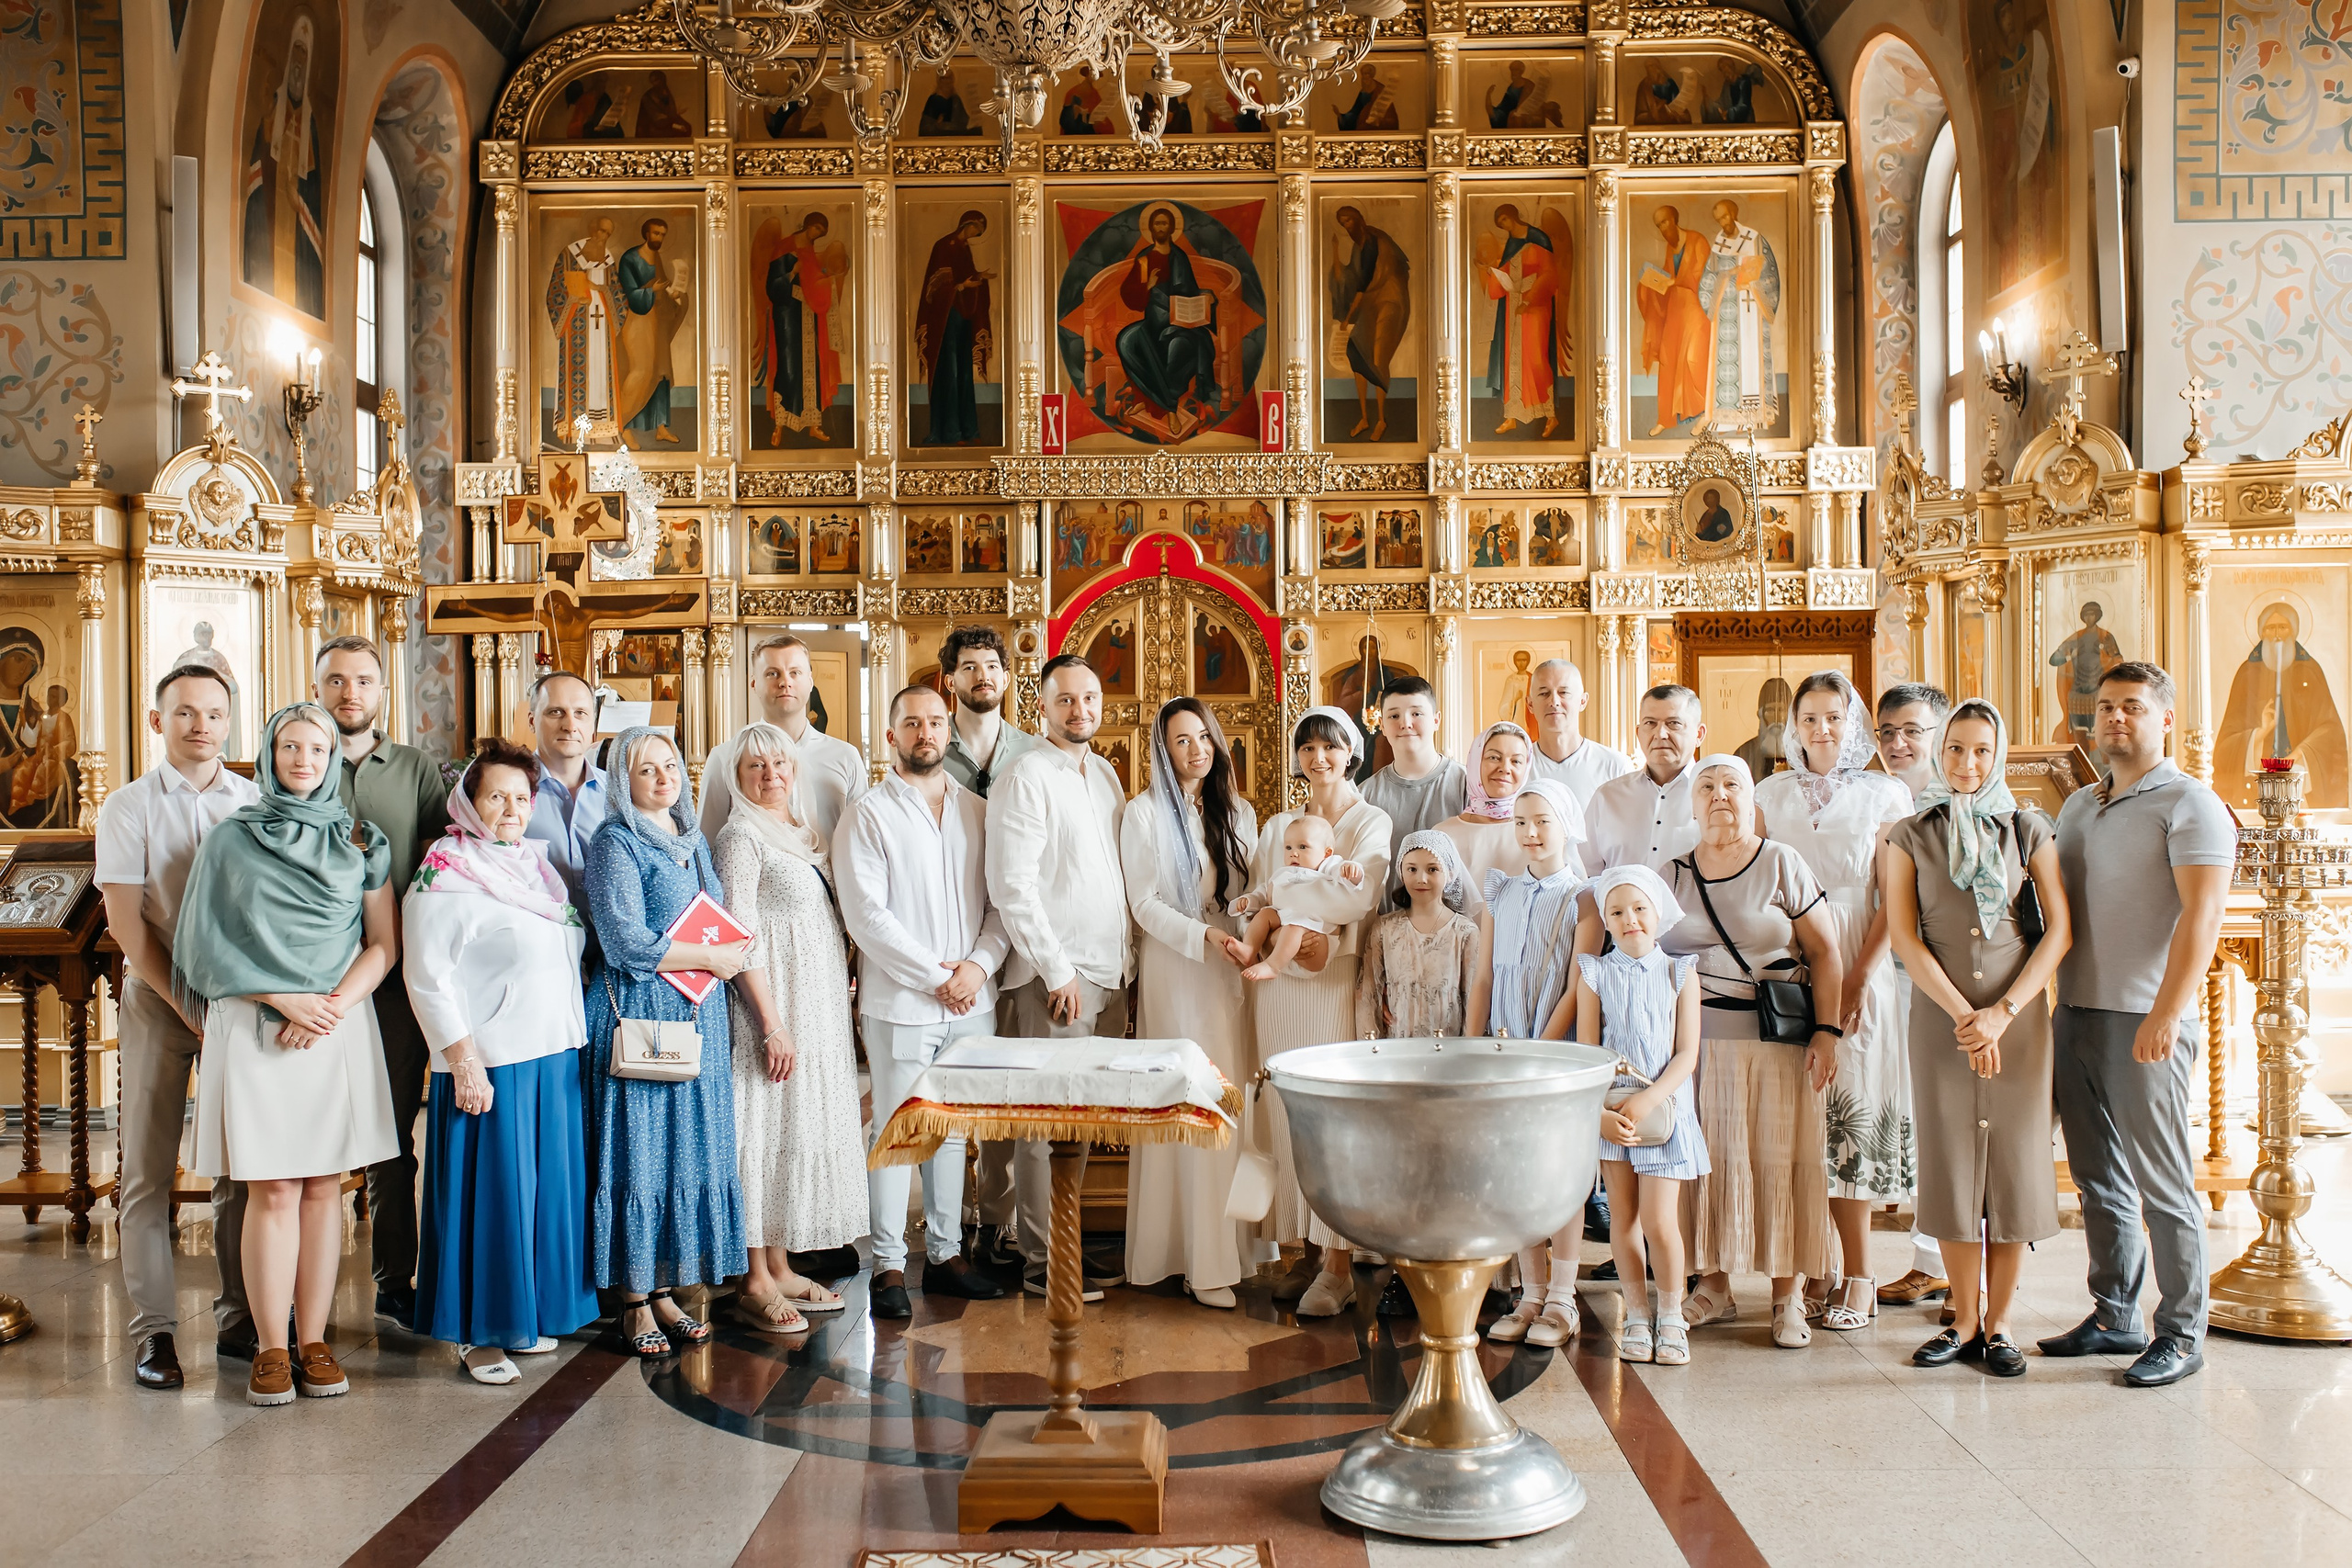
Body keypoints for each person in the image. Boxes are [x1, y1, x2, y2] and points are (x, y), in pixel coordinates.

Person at [178, 705, 400, 1406]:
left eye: (317, 747)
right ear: (269, 753)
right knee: (269, 1188)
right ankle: (270, 1347)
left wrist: (328, 1005)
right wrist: (282, 998)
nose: (303, 759)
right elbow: (200, 946)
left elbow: (383, 945)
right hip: (256, 1024)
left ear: (335, 755)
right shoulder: (230, 839)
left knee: (319, 1189)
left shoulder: (362, 837)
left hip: (335, 1025)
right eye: (289, 746)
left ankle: (315, 1339)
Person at [2041, 663, 2235, 1387]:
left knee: (2162, 1181)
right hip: (2080, 1010)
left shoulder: (2191, 804)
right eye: (2106, 707)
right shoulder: (2082, 805)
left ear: (2165, 722)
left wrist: (2167, 1011)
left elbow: (2203, 915)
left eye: (2133, 707)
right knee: (2097, 1176)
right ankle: (2115, 1310)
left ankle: (2181, 1331)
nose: (2115, 717)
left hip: (2145, 1015)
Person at [1884, 701, 2072, 1378]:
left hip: (2019, 1023)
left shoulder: (2030, 829)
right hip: (1941, 1021)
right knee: (1954, 1161)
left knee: (2016, 1162)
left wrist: (2004, 1012)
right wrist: (1968, 1016)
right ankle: (1962, 1318)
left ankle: (2001, 1324)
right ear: (1941, 753)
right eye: (1957, 749)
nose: (1968, 764)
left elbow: (2058, 932)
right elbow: (1906, 937)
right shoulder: (1908, 835)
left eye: (1982, 751)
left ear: (1999, 755)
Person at [405, 739, 599, 1384]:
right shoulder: (446, 872)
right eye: (497, 796)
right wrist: (462, 1059)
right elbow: (427, 975)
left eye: (522, 796)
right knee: (490, 1201)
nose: (511, 808)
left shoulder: (534, 869)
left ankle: (526, 1312)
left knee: (540, 1198)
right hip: (490, 1060)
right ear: (468, 800)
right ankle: (481, 1334)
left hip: (550, 1056)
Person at [96, 665, 261, 1389]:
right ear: (157, 719)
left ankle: (239, 1316)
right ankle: (154, 1333)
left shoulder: (255, 802)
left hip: (237, 999)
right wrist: (185, 1004)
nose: (201, 724)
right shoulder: (128, 805)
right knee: (147, 1167)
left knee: (240, 1163)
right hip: (158, 995)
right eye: (185, 712)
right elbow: (129, 925)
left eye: (215, 713)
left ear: (230, 721)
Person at [837, 684, 1011, 1318]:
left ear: (949, 733)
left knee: (953, 1130)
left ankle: (944, 1252)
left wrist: (978, 966)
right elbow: (867, 916)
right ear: (891, 736)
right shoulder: (869, 813)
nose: (925, 732)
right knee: (898, 1131)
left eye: (936, 722)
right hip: (901, 1003)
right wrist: (934, 974)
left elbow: (1000, 906)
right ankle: (886, 1262)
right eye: (912, 722)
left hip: (972, 999)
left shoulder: (978, 811)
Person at [1660, 755, 1845, 1349]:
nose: (1719, 795)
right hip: (1696, 1045)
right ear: (1691, 803)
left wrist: (1828, 1030)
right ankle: (1712, 1286)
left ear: (1751, 798)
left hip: (1778, 1040)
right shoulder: (1672, 873)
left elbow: (1825, 951)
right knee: (1704, 1165)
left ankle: (1786, 1297)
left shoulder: (1780, 862)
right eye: (1707, 786)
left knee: (1779, 1162)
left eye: (1732, 785)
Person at [582, 727, 753, 1358]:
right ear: (621, 781)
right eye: (645, 768)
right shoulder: (614, 842)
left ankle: (662, 1290)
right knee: (639, 1153)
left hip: (697, 1013)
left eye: (670, 765)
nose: (662, 777)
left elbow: (720, 916)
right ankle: (632, 1300)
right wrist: (712, 954)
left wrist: (727, 952)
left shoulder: (693, 840)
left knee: (682, 1153)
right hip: (642, 1014)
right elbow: (625, 940)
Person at [1753, 671, 1915, 1332]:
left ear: (1854, 725)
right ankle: (1815, 1265)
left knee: (1850, 1116)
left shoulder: (1885, 792)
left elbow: (1891, 898)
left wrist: (1853, 979)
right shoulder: (1768, 791)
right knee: (1804, 1125)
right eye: (1810, 717)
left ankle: (1861, 1271)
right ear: (1794, 725)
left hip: (1858, 958)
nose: (1822, 728)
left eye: (1834, 716)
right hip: (1790, 960)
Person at [707, 722, 867, 1332]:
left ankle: (778, 1263)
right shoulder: (740, 836)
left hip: (814, 1003)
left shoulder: (803, 832)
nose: (770, 773)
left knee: (789, 1126)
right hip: (768, 1008)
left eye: (779, 762)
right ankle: (752, 1277)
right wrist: (771, 1024)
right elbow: (739, 937)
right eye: (755, 766)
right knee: (759, 1126)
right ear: (737, 777)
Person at [312, 635, 450, 1332]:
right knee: (308, 1134)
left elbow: (436, 868)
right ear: (318, 689)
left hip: (394, 982)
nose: (350, 692)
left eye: (363, 680)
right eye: (336, 680)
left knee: (393, 1133)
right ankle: (293, 1287)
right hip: (311, 980)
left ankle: (394, 1274)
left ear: (382, 691)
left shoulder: (416, 769)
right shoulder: (300, 760)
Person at [985, 655, 1132, 1300]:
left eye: (1090, 697)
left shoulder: (1102, 774)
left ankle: (1066, 1250)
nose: (1081, 710)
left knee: (1077, 1121)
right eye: (1066, 700)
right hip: (1057, 977)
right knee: (1044, 1125)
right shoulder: (1025, 774)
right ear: (1042, 706)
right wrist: (1057, 968)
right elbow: (1012, 886)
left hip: (1107, 971)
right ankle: (1045, 1264)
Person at [1248, 707, 1392, 1315]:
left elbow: (1360, 893)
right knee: (1284, 1112)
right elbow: (1262, 890)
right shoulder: (1281, 820)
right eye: (1306, 747)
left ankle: (1337, 1262)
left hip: (1335, 977)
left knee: (1332, 1118)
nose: (1317, 757)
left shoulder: (1371, 820)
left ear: (1350, 752)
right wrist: (1295, 896)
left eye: (1329, 746)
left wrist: (1292, 893)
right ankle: (1300, 1249)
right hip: (1280, 985)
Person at [1121, 697, 1260, 1308]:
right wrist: (1201, 935)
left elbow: (1253, 892)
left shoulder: (1238, 811)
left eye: (1203, 736)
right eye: (1181, 740)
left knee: (1230, 1100)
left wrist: (1251, 938)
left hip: (1229, 964)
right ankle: (1193, 1260)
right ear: (1161, 748)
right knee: (1188, 1098)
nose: (1196, 749)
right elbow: (1143, 902)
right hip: (1177, 961)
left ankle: (1230, 1248)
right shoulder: (1143, 813)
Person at [1573, 865, 1706, 1366]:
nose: (1629, 918)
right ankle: (1636, 1314)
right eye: (1617, 911)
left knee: (1658, 1220)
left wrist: (1649, 1100)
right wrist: (1600, 1117)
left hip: (1665, 1113)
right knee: (1622, 1220)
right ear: (1605, 920)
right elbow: (1588, 1054)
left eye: (1639, 908)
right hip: (1613, 1117)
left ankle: (1671, 1315)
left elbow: (1686, 1053)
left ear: (1657, 912)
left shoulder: (1680, 972)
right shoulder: (1595, 974)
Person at [1472, 779, 1587, 1348]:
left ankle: (1564, 1298)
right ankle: (1530, 1293)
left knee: (1559, 1173)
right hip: (1500, 1045)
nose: (1530, 833)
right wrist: (1471, 1047)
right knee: (1514, 1173)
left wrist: (1540, 1050)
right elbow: (1487, 974)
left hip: (1552, 1050)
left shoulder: (1583, 896)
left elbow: (1575, 983)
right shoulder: (1501, 889)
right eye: (1520, 823)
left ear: (1566, 823)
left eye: (1542, 821)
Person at [1871, 683, 1955, 1312]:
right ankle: (1932, 1259)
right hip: (1894, 976)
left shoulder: (1953, 800)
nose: (1898, 743)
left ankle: (1951, 1263)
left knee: (1946, 1119)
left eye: (1913, 731)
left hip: (1949, 981)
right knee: (1921, 1117)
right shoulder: (1878, 795)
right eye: (1887, 732)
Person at [1577, 685, 1709, 963]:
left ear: (1698, 734)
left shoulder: (1715, 796)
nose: (1660, 734)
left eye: (1674, 724)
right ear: (1638, 732)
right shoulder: (1608, 797)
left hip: (1695, 955)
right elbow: (1586, 879)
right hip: (1617, 956)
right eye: (1650, 723)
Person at [702, 634, 865, 850]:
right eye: (772, 673)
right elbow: (707, 845)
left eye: (795, 673)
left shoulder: (845, 756)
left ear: (810, 682)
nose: (784, 682)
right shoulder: (724, 757)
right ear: (754, 683)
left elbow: (863, 839)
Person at [1441, 720, 1580, 918]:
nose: (1505, 768)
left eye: (1516, 761)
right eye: (1494, 757)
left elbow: (1575, 896)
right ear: (1475, 761)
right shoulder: (1444, 834)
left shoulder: (1544, 831)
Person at [1354, 831, 1479, 1041]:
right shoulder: (1385, 928)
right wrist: (1370, 1048)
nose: (1421, 878)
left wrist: (1469, 1051)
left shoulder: (1465, 933)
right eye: (1412, 869)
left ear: (1449, 872)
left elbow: (1474, 997)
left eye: (1432, 869)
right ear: (1401, 872)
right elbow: (1367, 991)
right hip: (1397, 1048)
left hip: (1450, 1050)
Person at [1356, 677, 1466, 905]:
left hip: (1456, 927)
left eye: (1416, 714)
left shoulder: (1466, 784)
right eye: (1394, 716)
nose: (1405, 723)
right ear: (1383, 726)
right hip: (1388, 931)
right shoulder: (1365, 795)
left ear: (1436, 720)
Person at [1236, 815, 1366, 981]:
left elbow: (1344, 876)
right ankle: (1249, 949)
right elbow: (1264, 893)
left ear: (1326, 853)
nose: (1293, 853)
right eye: (1288, 847)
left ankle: (1272, 966)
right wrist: (1249, 901)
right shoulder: (1283, 873)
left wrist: (1352, 870)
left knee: (1294, 927)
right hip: (1285, 929)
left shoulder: (1326, 866)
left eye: (1303, 847)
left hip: (1315, 941)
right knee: (1265, 914)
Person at [522, 671, 610, 914]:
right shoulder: (507, 793)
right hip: (536, 940)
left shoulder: (618, 794)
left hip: (609, 946)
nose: (570, 725)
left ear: (593, 723)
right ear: (531, 721)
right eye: (555, 712)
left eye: (580, 713)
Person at [940, 625, 1036, 798]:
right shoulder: (931, 748)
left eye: (991, 666)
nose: (983, 677)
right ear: (950, 683)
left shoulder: (1032, 751)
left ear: (1006, 679)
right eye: (970, 668)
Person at [1526, 659, 1634, 806]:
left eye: (1564, 692)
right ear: (1530, 704)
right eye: (1544, 693)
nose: (1554, 701)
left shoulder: (1615, 766)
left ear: (1583, 701)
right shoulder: (1517, 768)